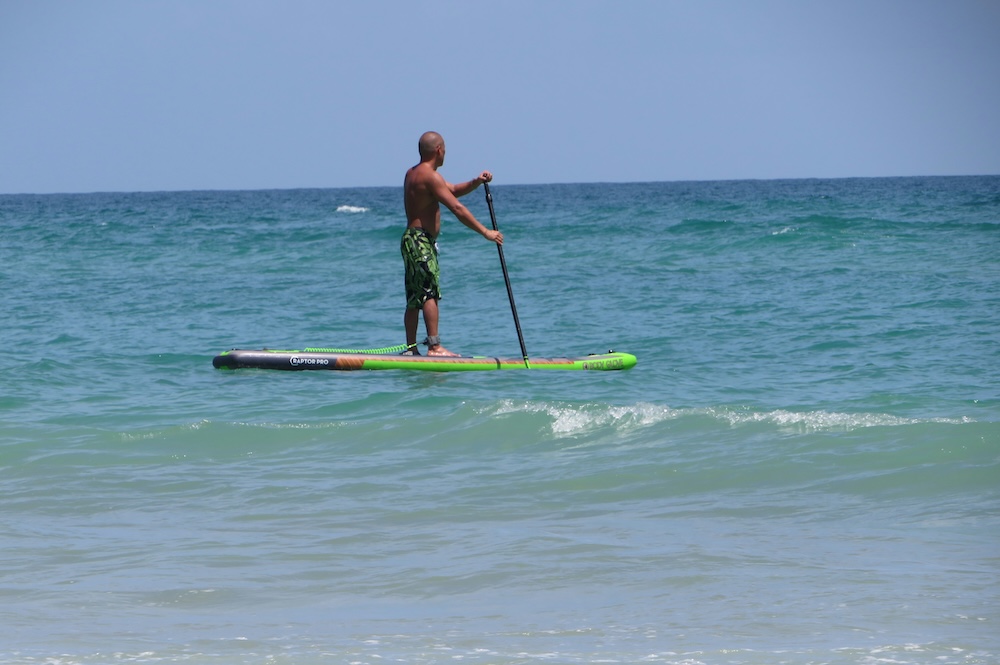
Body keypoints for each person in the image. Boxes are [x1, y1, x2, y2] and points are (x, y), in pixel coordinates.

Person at [401, 131, 503, 357]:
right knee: (428, 293)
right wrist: (485, 232)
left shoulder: (413, 173)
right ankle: (435, 347)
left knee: (414, 295)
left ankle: (411, 348)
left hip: (410, 240)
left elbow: (453, 190)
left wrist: (476, 182)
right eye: (445, 148)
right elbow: (456, 207)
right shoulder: (430, 176)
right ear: (439, 150)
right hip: (421, 241)